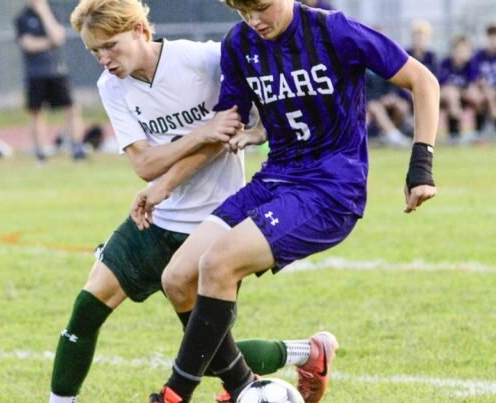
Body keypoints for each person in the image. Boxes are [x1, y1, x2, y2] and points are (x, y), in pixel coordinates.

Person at [137, 0, 439, 402]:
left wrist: (421, 165)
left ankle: (174, 395)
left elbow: (423, 80)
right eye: (242, 11)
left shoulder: (334, 31)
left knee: (217, 263)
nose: (253, 20)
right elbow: (227, 125)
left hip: (330, 189)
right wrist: (165, 185)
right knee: (177, 279)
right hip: (274, 179)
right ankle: (247, 386)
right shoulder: (239, 43)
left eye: (260, 7)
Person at [50, 1, 326, 402]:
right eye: (95, 51)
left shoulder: (204, 60)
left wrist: (233, 134)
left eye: (110, 46)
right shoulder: (111, 86)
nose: (104, 59)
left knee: (208, 356)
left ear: (140, 30)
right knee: (86, 310)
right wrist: (202, 133)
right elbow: (145, 164)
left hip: (214, 226)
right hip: (155, 221)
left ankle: (308, 351)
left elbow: (239, 124)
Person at [15, 0, 86, 161]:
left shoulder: (52, 13)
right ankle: (40, 152)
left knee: (72, 108)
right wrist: (49, 42)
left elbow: (58, 37)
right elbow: (28, 44)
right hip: (35, 74)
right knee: (37, 112)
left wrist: (44, 13)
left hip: (56, 71)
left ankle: (77, 148)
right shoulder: (22, 18)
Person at [438, 35, 477, 142]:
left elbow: (472, 85)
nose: (461, 53)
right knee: (452, 94)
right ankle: (454, 133)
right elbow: (444, 86)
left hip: (463, 95)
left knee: (477, 96)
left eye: (464, 51)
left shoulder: (470, 65)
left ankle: (479, 129)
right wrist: (460, 91)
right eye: (459, 50)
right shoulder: (445, 64)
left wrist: (463, 92)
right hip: (445, 96)